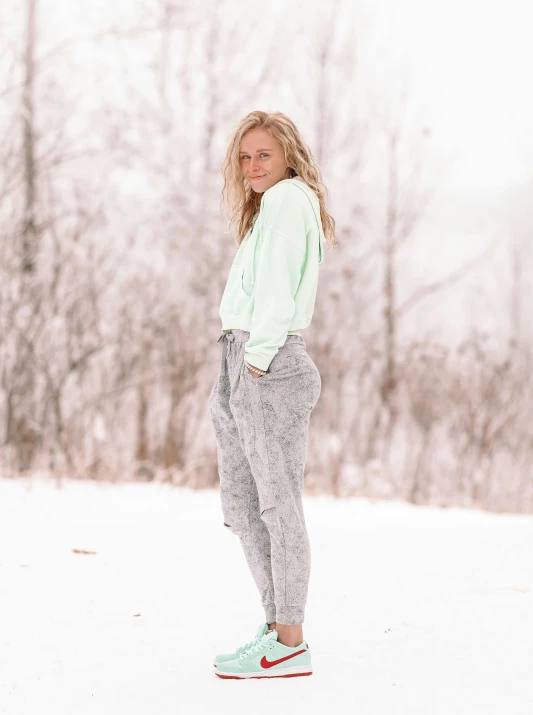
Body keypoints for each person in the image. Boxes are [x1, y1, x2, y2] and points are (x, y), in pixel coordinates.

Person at [208, 110, 336, 679]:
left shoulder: (288, 199)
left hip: (267, 360)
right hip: (240, 358)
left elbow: (280, 289)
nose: (253, 166)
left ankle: (290, 639)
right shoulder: (269, 210)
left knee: (277, 505)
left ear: (287, 156)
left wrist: (256, 358)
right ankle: (274, 625)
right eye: (245, 156)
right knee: (241, 504)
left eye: (263, 153)